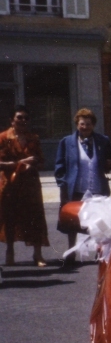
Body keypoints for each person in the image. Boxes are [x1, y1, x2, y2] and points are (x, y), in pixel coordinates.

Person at [54, 109, 111, 261]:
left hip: (97, 186)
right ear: (77, 124)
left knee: (100, 221)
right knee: (73, 220)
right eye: (82, 124)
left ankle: (100, 249)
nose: (85, 127)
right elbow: (60, 166)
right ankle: (71, 251)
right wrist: (63, 185)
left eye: (89, 124)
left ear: (93, 125)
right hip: (76, 187)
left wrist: (109, 164)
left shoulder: (103, 140)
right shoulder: (67, 142)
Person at [0, 105, 49, 266]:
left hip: (30, 185)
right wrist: (19, 163)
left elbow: (41, 161)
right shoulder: (3, 138)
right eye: (19, 117)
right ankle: (10, 252)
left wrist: (33, 165)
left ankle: (38, 254)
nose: (22, 121)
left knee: (35, 217)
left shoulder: (33, 138)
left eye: (26, 118)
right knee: (10, 217)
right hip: (10, 184)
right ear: (11, 120)